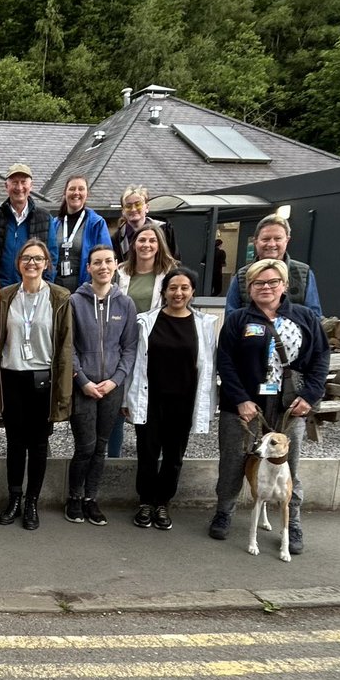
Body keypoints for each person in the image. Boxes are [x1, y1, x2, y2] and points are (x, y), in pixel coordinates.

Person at [210, 258, 329, 554]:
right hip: (245, 405)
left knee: (288, 464)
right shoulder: (238, 319)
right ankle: (224, 510)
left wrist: (311, 395)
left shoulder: (304, 318)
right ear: (249, 288)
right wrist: (240, 399)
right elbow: (225, 361)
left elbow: (320, 358)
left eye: (272, 282)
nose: (266, 287)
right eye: (258, 283)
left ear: (284, 285)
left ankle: (293, 521)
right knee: (234, 460)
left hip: (289, 405)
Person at [123, 267, 218, 530]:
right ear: (164, 291)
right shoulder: (146, 322)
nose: (178, 293)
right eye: (173, 288)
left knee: (174, 456)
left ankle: (162, 503)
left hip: (184, 402)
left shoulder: (204, 325)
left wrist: (209, 405)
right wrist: (125, 401)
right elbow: (134, 364)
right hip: (151, 399)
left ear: (192, 292)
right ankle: (145, 501)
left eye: (184, 288)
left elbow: (209, 369)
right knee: (148, 453)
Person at [0, 238, 73, 531]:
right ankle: (14, 497)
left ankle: (32, 502)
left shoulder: (60, 298)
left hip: (42, 379)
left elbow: (65, 347)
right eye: (26, 258)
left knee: (38, 443)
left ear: (47, 264)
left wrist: (63, 389)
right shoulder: (6, 296)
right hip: (11, 376)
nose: (32, 263)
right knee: (14, 442)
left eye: (38, 259)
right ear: (19, 263)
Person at [66, 245, 137, 526]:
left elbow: (129, 347)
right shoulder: (75, 301)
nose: (103, 267)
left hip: (111, 387)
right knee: (85, 446)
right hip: (82, 387)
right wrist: (82, 381)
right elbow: (67, 347)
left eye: (108, 261)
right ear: (89, 268)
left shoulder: (126, 304)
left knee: (101, 446)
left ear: (116, 265)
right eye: (97, 262)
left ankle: (90, 498)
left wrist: (115, 380)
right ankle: (73, 497)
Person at [109, 222, 178, 459]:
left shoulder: (170, 274)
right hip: (122, 344)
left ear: (159, 245)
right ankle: (113, 461)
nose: (146, 245)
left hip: (156, 347)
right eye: (141, 240)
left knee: (148, 406)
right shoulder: (120, 272)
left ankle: (149, 461)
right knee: (118, 404)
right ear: (133, 244)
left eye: (152, 240)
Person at [224, 214, 322, 318]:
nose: (271, 244)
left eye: (277, 238)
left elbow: (314, 317)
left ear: (287, 240)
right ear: (256, 241)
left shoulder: (304, 274)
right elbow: (230, 317)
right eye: (266, 239)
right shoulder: (241, 276)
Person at [0, 162, 59, 288]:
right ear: (6, 186)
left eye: (23, 182)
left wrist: (45, 287)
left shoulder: (44, 218)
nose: (19, 187)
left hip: (33, 290)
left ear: (31, 186)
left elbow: (51, 257)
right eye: (14, 182)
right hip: (0, 291)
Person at [51, 175, 112, 293]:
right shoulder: (54, 224)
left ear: (87, 194)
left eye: (81, 189)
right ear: (65, 193)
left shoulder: (97, 224)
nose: (76, 193)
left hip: (85, 290)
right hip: (56, 290)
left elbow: (106, 257)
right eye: (72, 189)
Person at [112, 185, 180, 264]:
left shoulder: (164, 229)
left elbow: (175, 261)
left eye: (138, 204)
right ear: (123, 211)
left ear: (147, 207)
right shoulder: (117, 238)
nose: (133, 209)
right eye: (128, 206)